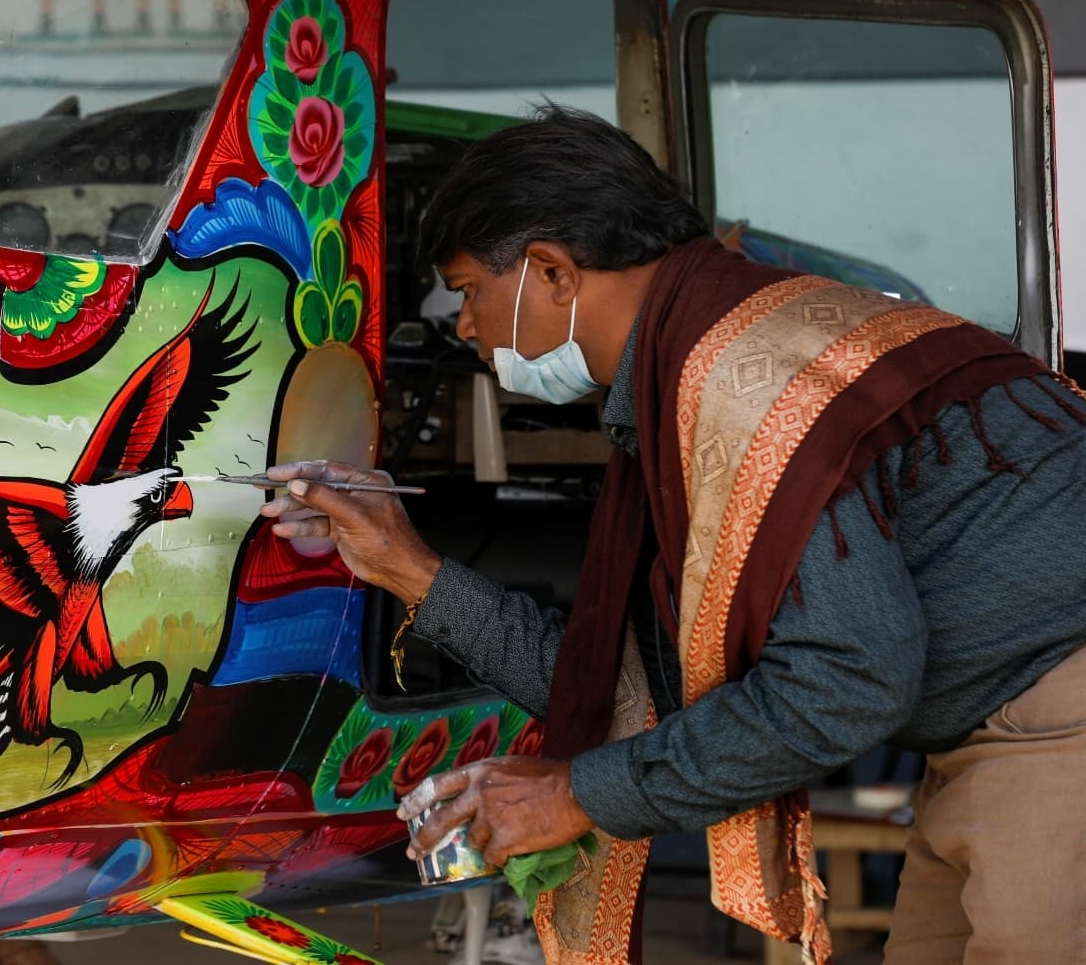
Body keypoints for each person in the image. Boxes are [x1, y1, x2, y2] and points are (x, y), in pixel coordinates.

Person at [262, 106, 1086, 964]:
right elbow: (622, 687)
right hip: (993, 739)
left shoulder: (745, 385)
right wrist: (405, 564)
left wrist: (577, 796)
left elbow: (844, 685)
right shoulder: (721, 346)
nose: (464, 328)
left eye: (470, 291)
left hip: (1056, 724)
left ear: (552, 271)